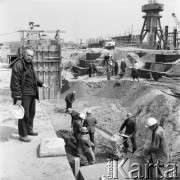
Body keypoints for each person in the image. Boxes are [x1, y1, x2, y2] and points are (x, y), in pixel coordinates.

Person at [10, 46, 50, 142]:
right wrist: (18, 98)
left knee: (31, 114)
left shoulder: (30, 64)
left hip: (32, 93)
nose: (30, 57)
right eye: (28, 55)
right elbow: (14, 84)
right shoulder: (18, 65)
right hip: (23, 95)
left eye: (32, 56)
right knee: (24, 115)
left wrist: (41, 83)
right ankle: (22, 135)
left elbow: (33, 77)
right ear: (23, 54)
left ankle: (29, 130)